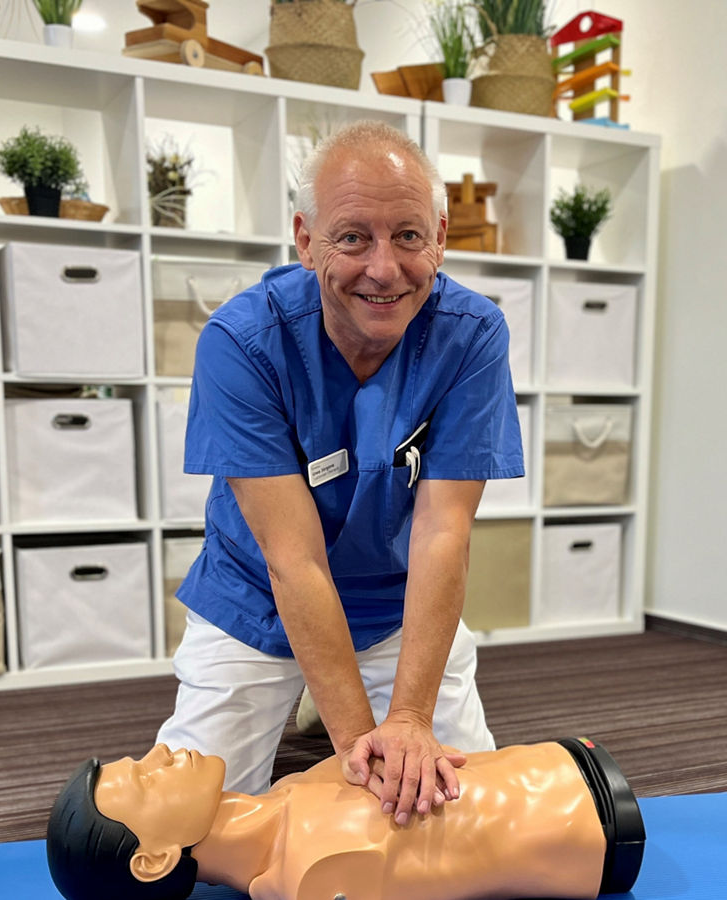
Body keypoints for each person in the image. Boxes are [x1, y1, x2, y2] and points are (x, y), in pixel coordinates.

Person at [155, 120, 524, 826]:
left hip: (394, 606)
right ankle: (315, 705)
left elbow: (444, 532)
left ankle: (333, 699)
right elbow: (295, 563)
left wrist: (411, 719)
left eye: (409, 236)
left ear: (440, 237)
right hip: (257, 601)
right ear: (305, 239)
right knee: (185, 826)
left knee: (473, 814)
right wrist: (359, 747)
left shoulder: (473, 336)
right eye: (353, 237)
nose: (383, 269)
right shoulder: (242, 342)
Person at [46, 739, 645, 900]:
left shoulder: (288, 791)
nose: (162, 753)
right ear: (154, 860)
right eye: (146, 778)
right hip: (595, 830)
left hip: (569, 758)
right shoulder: (310, 876)